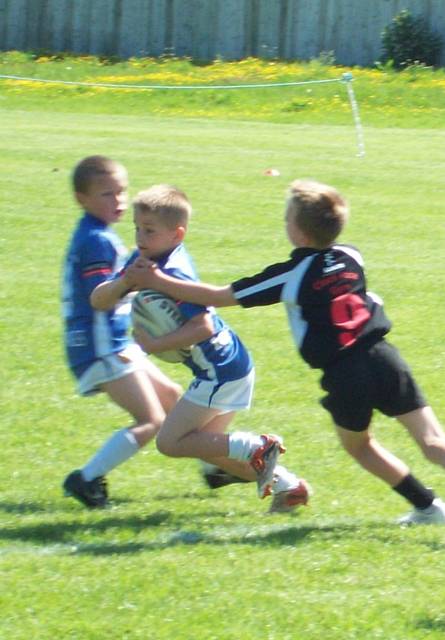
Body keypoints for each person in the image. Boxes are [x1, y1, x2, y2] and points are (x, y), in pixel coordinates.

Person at [128, 178, 445, 526]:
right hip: (385, 357)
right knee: (432, 442)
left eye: (287, 219)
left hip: (345, 374)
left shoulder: (291, 275)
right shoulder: (351, 254)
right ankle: (428, 510)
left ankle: (429, 507)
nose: (285, 223)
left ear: (300, 235)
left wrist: (157, 281)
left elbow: (219, 296)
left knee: (361, 446)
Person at [91, 184, 311, 512]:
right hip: (230, 365)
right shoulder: (146, 261)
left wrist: (153, 345)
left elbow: (202, 327)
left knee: (170, 441)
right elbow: (98, 300)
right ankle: (289, 487)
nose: (140, 236)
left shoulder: (173, 273)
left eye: (149, 230)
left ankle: (258, 446)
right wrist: (125, 283)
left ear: (176, 234)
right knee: (210, 450)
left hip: (219, 370)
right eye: (137, 228)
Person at [61, 155, 183, 508]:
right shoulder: (95, 241)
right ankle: (85, 479)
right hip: (101, 347)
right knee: (151, 420)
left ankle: (213, 470)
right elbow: (99, 298)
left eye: (121, 192)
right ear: (81, 199)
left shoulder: (99, 235)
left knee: (172, 396)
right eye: (105, 194)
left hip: (115, 342)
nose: (117, 201)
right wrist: (132, 279)